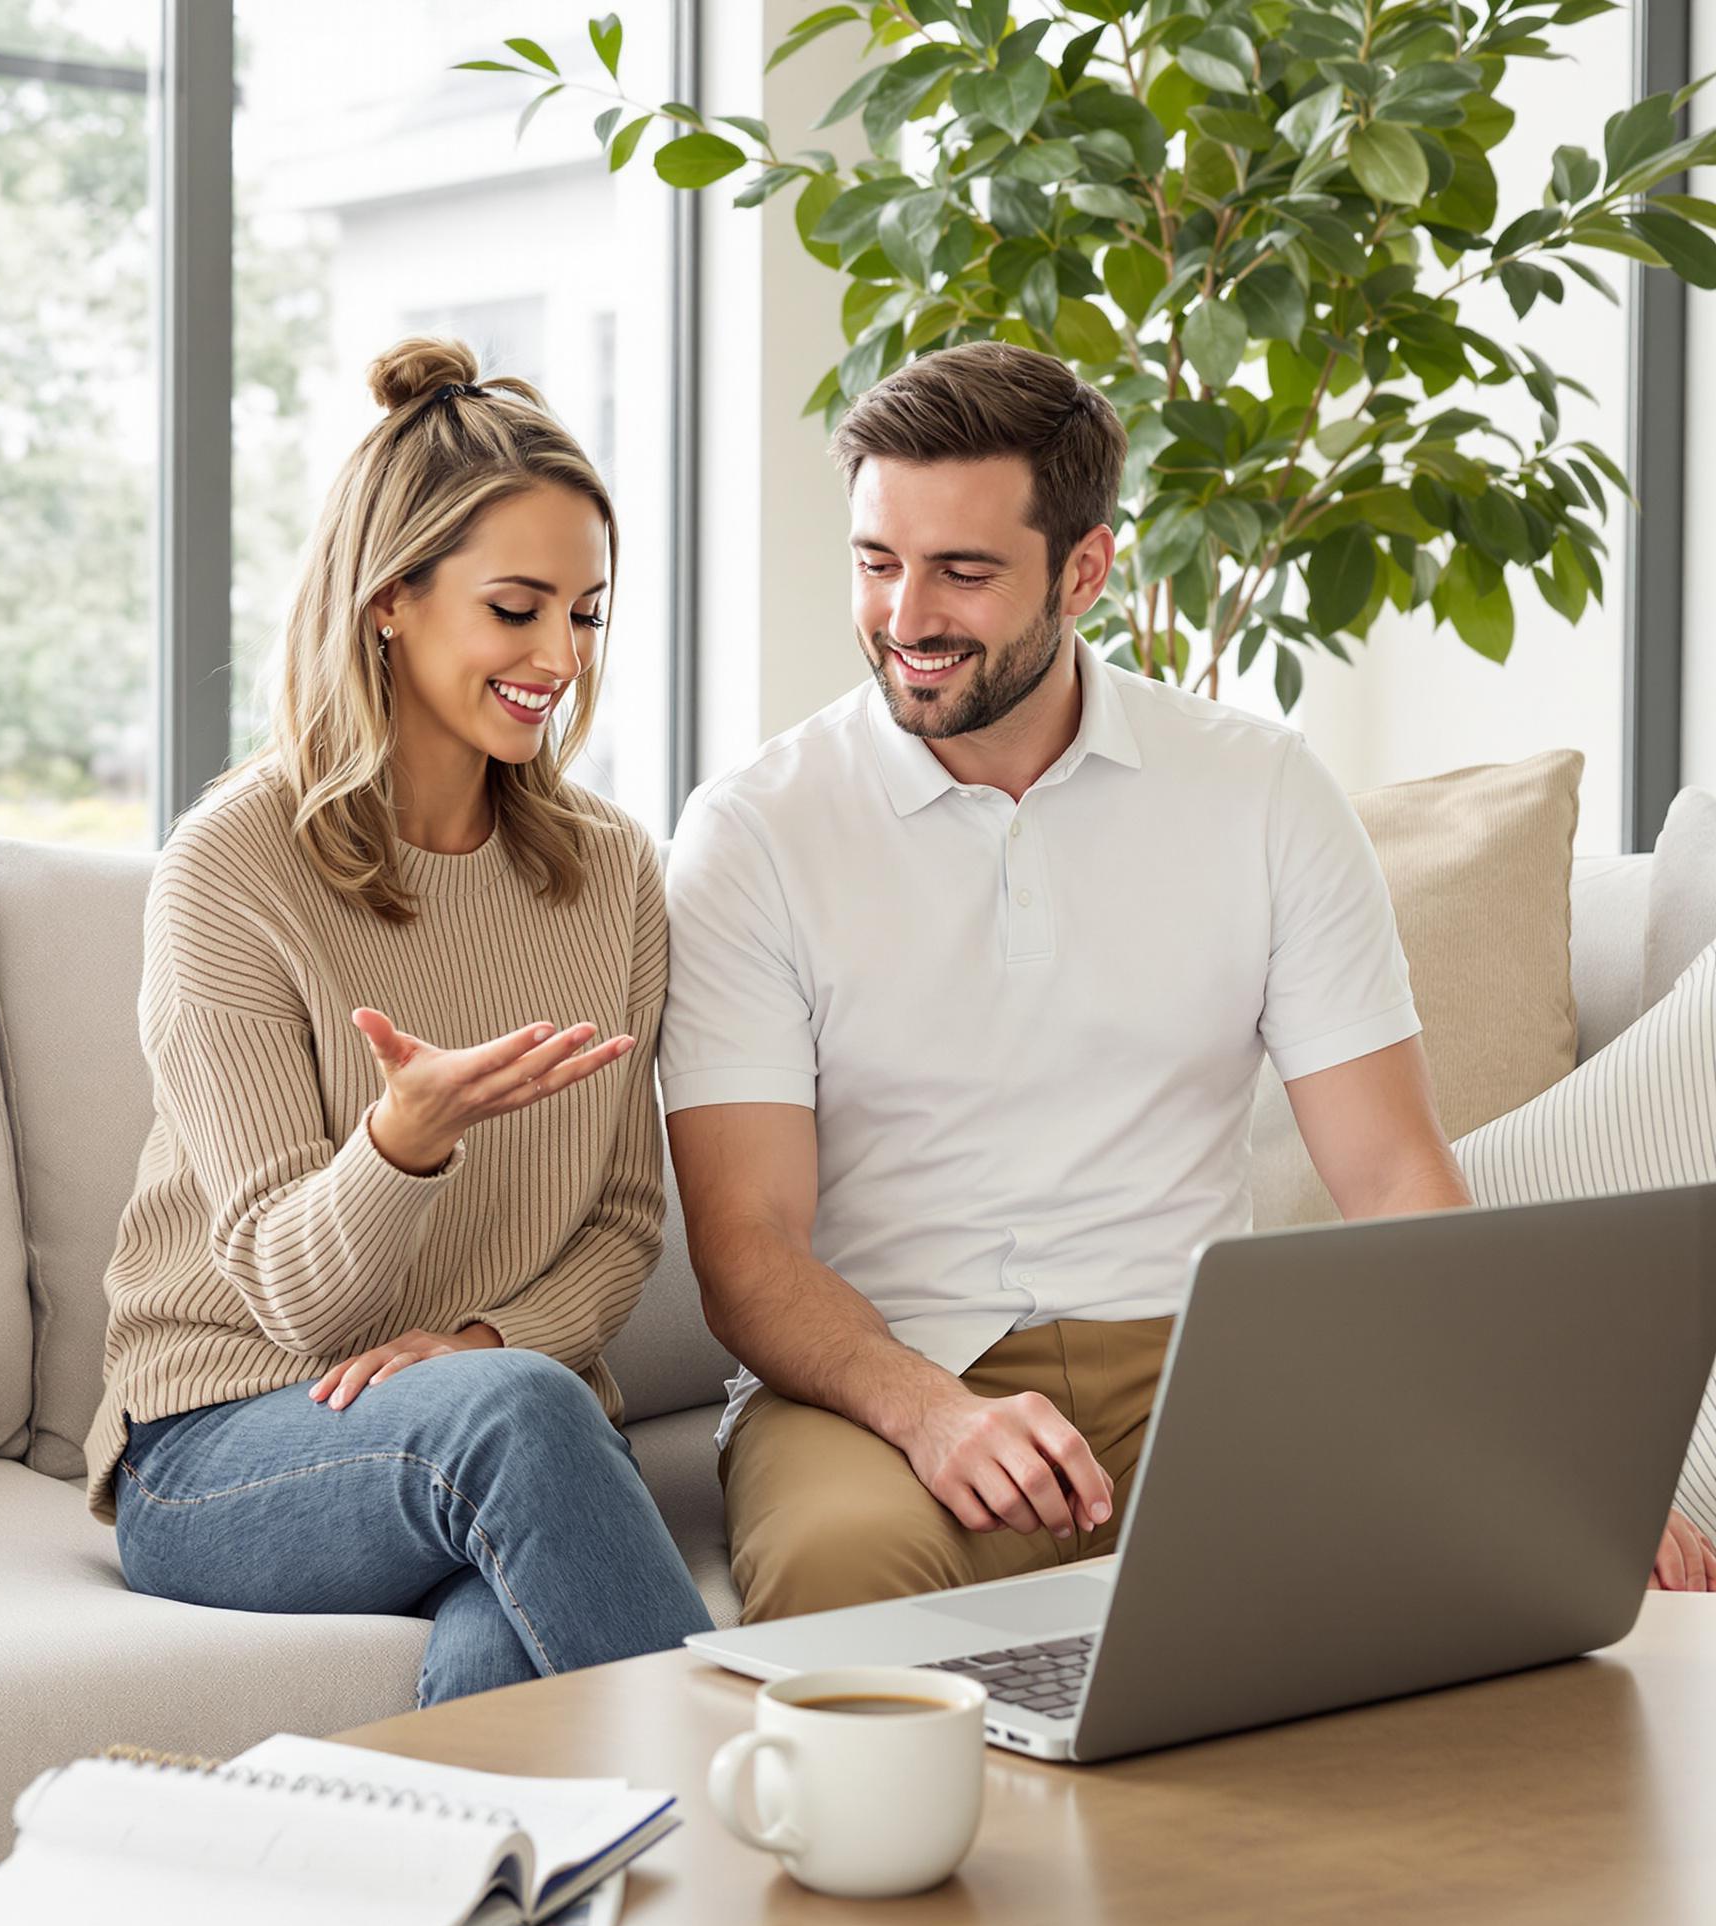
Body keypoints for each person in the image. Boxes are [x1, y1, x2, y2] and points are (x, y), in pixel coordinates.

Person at [661, 339, 1716, 1621]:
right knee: (843, 1572)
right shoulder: (756, 831)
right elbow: (744, 1242)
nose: (904, 617)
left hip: (1196, 1364)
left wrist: (1555, 1465)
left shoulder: (1257, 791)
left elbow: (1388, 1175)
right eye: (876, 562)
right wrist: (934, 1413)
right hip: (881, 1378)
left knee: (1466, 1574)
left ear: (1086, 569)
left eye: (962, 571)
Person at [84, 336, 712, 1704]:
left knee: (511, 1644)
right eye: (516, 608)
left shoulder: (611, 874)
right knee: (527, 1426)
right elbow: (296, 1297)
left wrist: (486, 1349)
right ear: (390, 602)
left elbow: (621, 1222)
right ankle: (774, 1806)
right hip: (226, 1442)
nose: (560, 654)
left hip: (497, 1425)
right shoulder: (236, 866)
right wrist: (402, 1143)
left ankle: (491, 1909)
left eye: (588, 614)